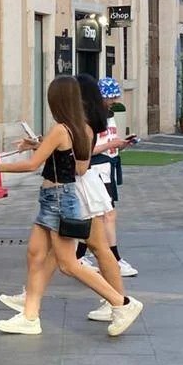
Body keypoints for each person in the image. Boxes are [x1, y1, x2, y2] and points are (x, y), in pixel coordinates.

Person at [0, 76, 143, 337]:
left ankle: (121, 303)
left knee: (68, 264)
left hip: (59, 199)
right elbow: (74, 162)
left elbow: (33, 165)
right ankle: (29, 316)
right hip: (52, 198)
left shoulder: (61, 129)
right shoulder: (81, 128)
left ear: (57, 101)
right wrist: (40, 146)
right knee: (35, 254)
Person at [1, 74, 124, 324]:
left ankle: (118, 301)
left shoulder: (80, 125)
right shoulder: (76, 124)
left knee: (86, 252)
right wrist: (40, 144)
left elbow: (77, 164)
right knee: (50, 254)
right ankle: (30, 304)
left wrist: (0, 167)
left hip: (77, 189)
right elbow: (63, 153)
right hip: (70, 190)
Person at [78, 77, 136, 277]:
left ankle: (80, 255)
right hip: (96, 169)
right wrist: (111, 145)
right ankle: (113, 259)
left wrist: (119, 145)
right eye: (110, 98)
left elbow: (107, 141)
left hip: (106, 167)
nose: (112, 101)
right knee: (105, 214)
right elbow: (86, 150)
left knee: (99, 215)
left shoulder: (108, 116)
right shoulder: (90, 120)